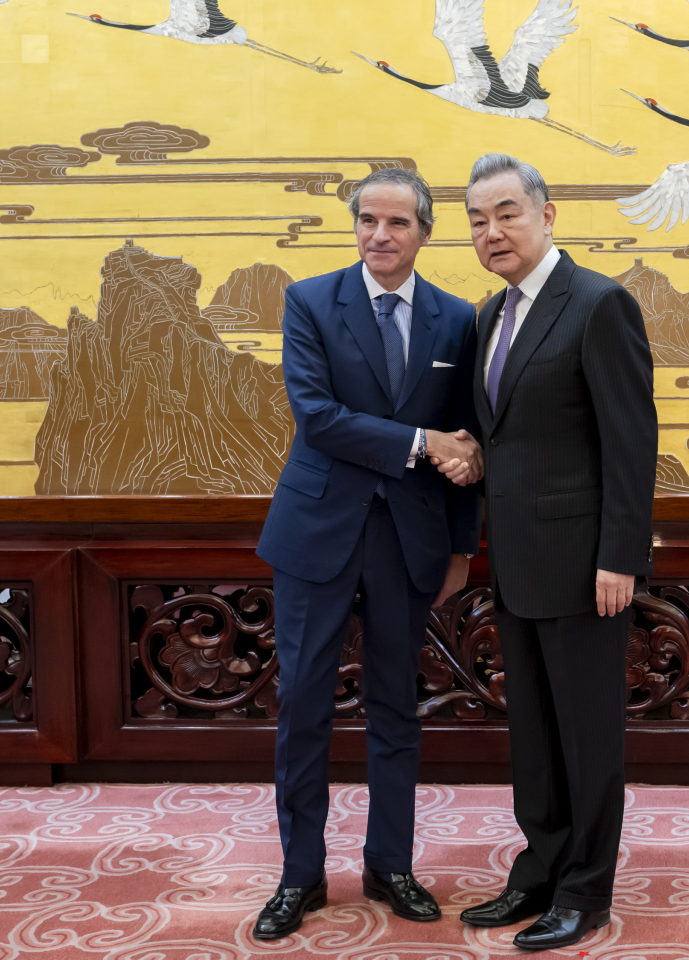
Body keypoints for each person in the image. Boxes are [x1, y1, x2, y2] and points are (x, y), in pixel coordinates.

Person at [253, 167, 484, 940]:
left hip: (409, 542)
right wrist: (420, 442)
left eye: (397, 223)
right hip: (317, 536)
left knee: (395, 708)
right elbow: (317, 418)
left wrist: (460, 548)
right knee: (303, 709)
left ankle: (392, 864)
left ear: (425, 232)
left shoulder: (459, 319)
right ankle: (300, 875)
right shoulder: (311, 301)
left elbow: (467, 447)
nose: (379, 235)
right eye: (367, 221)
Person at [453, 153, 657, 951]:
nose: (492, 232)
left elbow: (630, 443)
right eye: (477, 220)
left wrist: (621, 557)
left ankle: (585, 891)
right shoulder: (487, 316)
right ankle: (536, 872)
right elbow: (506, 432)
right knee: (534, 734)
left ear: (547, 215)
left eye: (506, 213)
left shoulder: (599, 304)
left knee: (587, 735)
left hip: (584, 567)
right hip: (514, 561)